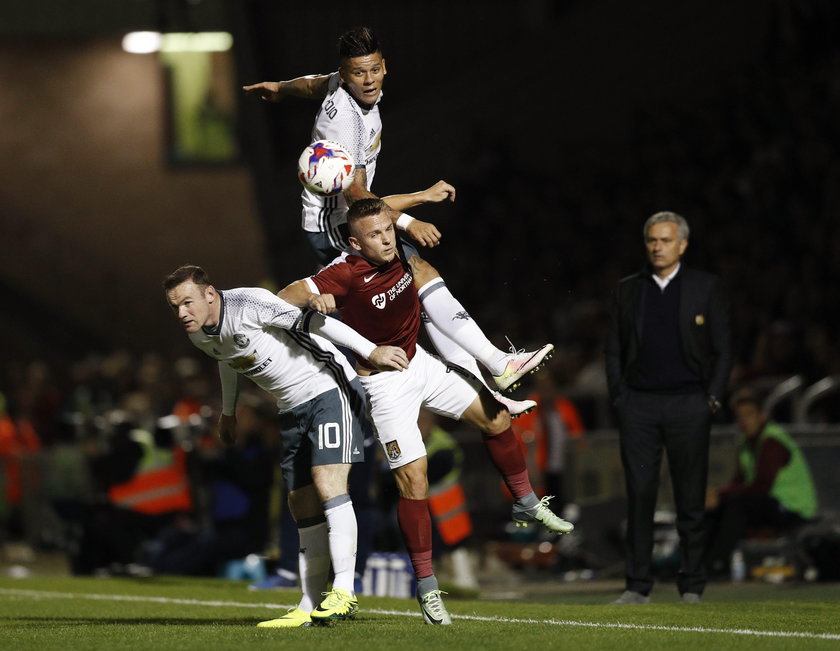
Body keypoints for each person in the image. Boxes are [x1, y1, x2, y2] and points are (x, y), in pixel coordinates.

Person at [278, 198, 573, 625]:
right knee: (414, 481)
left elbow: (390, 213)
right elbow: (284, 297)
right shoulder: (344, 271)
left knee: (496, 418)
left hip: (421, 363)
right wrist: (314, 300)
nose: (385, 240)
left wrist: (416, 207)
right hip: (384, 385)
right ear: (355, 243)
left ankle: (525, 502)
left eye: (387, 230)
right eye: (375, 235)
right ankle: (428, 586)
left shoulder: (402, 256)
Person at [243, 26, 550, 413]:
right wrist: (407, 222)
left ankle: (492, 382)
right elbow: (356, 196)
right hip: (335, 226)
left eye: (373, 69)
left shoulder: (343, 83)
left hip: (347, 215)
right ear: (347, 72)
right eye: (358, 73)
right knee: (418, 275)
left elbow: (314, 85)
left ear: (384, 66)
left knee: (421, 288)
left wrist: (281, 87)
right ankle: (496, 364)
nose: (368, 80)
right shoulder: (345, 124)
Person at [163, 264, 409, 627]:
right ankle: (308, 606)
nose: (182, 313)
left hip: (330, 387)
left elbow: (317, 323)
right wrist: (229, 412)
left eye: (187, 302)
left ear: (210, 294)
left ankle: (344, 589)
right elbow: (227, 359)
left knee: (328, 483)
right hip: (290, 407)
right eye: (175, 307)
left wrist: (371, 352)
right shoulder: (199, 333)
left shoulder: (251, 303)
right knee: (300, 502)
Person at [605, 211, 732, 605]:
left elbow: (724, 349)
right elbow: (614, 348)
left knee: (690, 498)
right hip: (639, 405)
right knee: (639, 495)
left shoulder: (705, 287)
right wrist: (620, 398)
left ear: (682, 245)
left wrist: (710, 397)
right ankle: (637, 586)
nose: (657, 247)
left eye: (664, 240)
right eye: (651, 240)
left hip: (688, 403)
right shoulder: (628, 289)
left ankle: (692, 585)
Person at [705, 388, 817, 576]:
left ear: (761, 416)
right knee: (717, 507)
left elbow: (762, 486)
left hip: (793, 508)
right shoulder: (746, 444)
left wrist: (719, 494)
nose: (744, 421)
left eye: (749, 415)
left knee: (737, 505)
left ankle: (718, 564)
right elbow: (738, 482)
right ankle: (700, 563)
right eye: (740, 416)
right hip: (770, 504)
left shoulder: (772, 441)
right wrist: (715, 495)